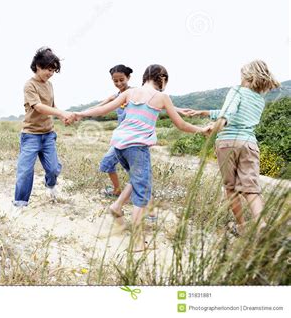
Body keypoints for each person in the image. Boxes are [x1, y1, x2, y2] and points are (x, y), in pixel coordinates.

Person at [74, 64, 211, 250]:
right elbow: (181, 125)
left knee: (138, 180)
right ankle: (138, 242)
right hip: (137, 147)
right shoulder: (162, 97)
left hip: (118, 145)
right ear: (162, 79)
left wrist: (79, 114)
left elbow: (103, 109)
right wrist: (201, 130)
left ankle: (117, 206)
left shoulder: (130, 93)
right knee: (142, 191)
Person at [183, 60, 280, 235]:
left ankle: (241, 226)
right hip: (249, 144)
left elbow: (228, 114)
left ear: (248, 76)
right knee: (251, 188)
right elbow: (234, 112)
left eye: (242, 75)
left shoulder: (236, 90)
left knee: (231, 188)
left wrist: (215, 126)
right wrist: (203, 112)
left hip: (227, 142)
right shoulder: (259, 100)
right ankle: (262, 225)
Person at [13, 47, 75, 208]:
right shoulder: (29, 85)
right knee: (25, 171)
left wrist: (62, 118)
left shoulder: (50, 85)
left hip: (48, 135)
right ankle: (20, 203)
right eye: (48, 69)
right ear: (38, 66)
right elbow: (39, 107)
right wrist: (61, 113)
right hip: (31, 135)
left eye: (53, 70)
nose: (50, 73)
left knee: (54, 169)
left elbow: (51, 106)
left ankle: (50, 185)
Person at [94, 64, 133, 197]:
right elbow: (98, 107)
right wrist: (77, 114)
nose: (118, 83)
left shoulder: (135, 93)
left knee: (134, 170)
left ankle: (139, 196)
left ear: (128, 77)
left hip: (133, 137)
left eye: (121, 79)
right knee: (107, 163)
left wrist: (180, 111)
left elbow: (156, 101)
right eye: (115, 81)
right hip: (120, 138)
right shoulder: (114, 97)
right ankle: (117, 190)